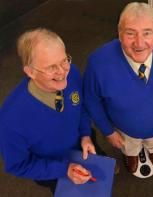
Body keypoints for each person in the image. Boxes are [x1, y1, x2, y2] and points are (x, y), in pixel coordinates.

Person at [83, 2, 153, 174]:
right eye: (130, 33)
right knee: (129, 147)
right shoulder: (98, 63)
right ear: (119, 34)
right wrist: (108, 131)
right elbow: (91, 100)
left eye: (147, 33)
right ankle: (131, 155)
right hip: (124, 131)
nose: (139, 43)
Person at [0, 28, 96, 193]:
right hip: (53, 170)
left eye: (64, 60)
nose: (62, 71)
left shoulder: (71, 73)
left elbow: (81, 107)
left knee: (98, 180)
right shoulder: (10, 120)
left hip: (83, 145)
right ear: (30, 72)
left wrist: (86, 135)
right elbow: (18, 165)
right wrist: (63, 170)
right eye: (51, 67)